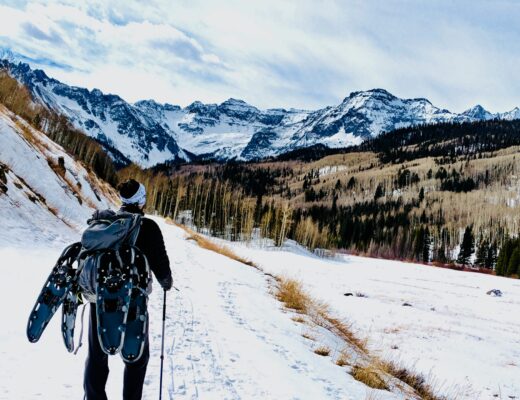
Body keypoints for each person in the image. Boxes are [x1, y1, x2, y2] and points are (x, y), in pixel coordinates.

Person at [84, 179, 173, 400]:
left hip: (100, 300)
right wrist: (166, 283)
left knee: (97, 356)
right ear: (141, 200)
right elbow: (162, 268)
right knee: (136, 358)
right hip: (134, 302)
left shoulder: (108, 225)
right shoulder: (148, 227)